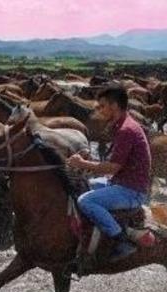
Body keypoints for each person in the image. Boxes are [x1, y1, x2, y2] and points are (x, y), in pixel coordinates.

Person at [66, 85, 152, 262]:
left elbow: (113, 167)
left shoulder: (126, 130)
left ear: (114, 106)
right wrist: (88, 160)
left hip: (131, 191)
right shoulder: (123, 125)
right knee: (82, 185)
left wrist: (83, 163)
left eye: (102, 106)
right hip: (120, 183)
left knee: (85, 200)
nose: (99, 110)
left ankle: (119, 238)